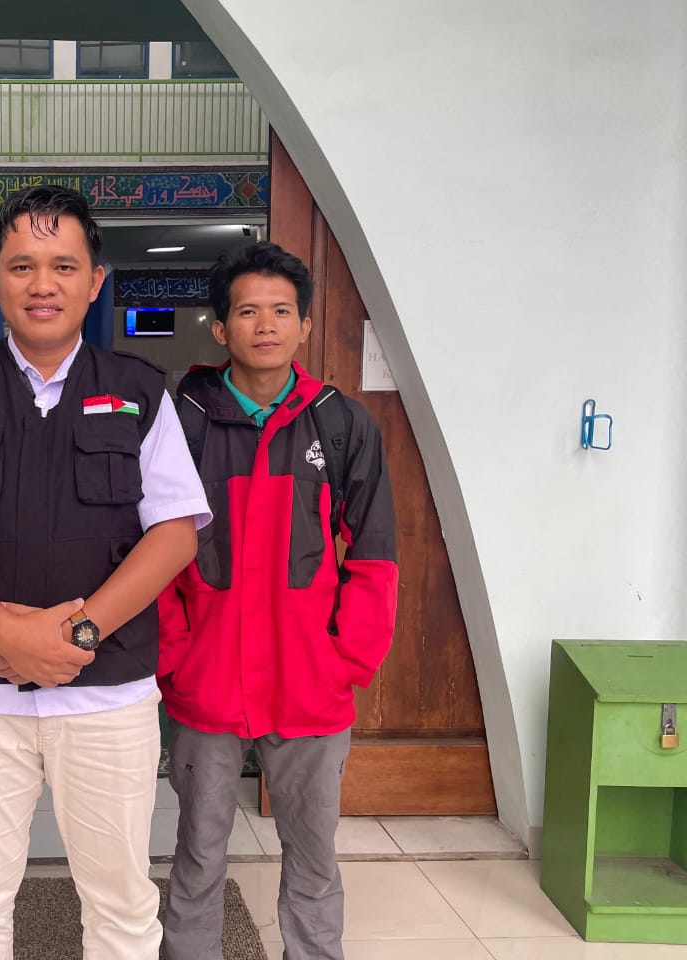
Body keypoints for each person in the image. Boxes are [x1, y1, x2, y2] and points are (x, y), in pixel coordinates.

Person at [0, 184, 210, 959]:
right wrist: (6, 633)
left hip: (108, 694)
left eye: (64, 265)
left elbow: (173, 536)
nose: (42, 284)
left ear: (95, 281)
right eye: (22, 265)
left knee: (123, 905)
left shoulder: (139, 390)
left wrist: (77, 633)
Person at [158, 242, 399, 960]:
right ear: (220, 328)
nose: (265, 325)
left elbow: (375, 554)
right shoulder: (181, 422)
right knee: (198, 853)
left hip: (309, 687)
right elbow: (150, 552)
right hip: (205, 682)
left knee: (314, 858)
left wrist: (345, 660)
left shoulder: (342, 424)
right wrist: (174, 656)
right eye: (247, 312)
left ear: (305, 326)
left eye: (282, 311)